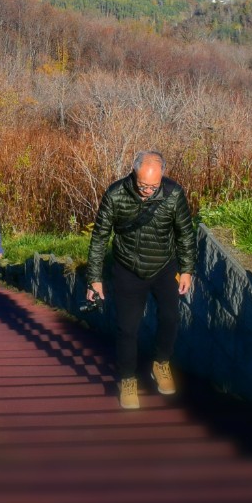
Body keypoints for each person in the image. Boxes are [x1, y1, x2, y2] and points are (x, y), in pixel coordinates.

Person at [82, 151, 198, 411]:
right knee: (127, 328)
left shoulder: (173, 194)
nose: (147, 191)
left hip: (164, 266)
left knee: (170, 317)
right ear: (133, 175)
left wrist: (187, 269)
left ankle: (161, 362)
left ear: (162, 178)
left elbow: (185, 234)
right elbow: (100, 237)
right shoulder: (115, 194)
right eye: (142, 185)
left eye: (153, 186)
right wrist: (94, 279)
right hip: (127, 268)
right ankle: (127, 379)